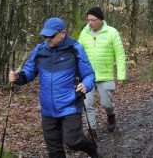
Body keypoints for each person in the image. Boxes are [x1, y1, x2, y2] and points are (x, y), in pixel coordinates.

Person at [8, 17, 98, 158]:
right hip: (48, 109)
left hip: (70, 104)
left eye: (51, 36)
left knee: (73, 141)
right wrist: (18, 77)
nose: (47, 39)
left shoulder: (75, 49)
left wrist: (85, 85)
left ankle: (91, 147)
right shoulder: (40, 50)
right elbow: (29, 72)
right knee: (54, 151)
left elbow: (89, 75)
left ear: (63, 33)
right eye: (45, 36)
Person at [78, 6, 126, 138]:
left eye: (93, 20)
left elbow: (120, 55)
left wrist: (121, 75)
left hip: (105, 75)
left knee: (106, 103)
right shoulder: (84, 33)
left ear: (100, 20)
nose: (90, 23)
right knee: (87, 104)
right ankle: (92, 129)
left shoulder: (112, 32)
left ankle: (111, 115)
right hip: (87, 76)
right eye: (88, 20)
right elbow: (78, 53)